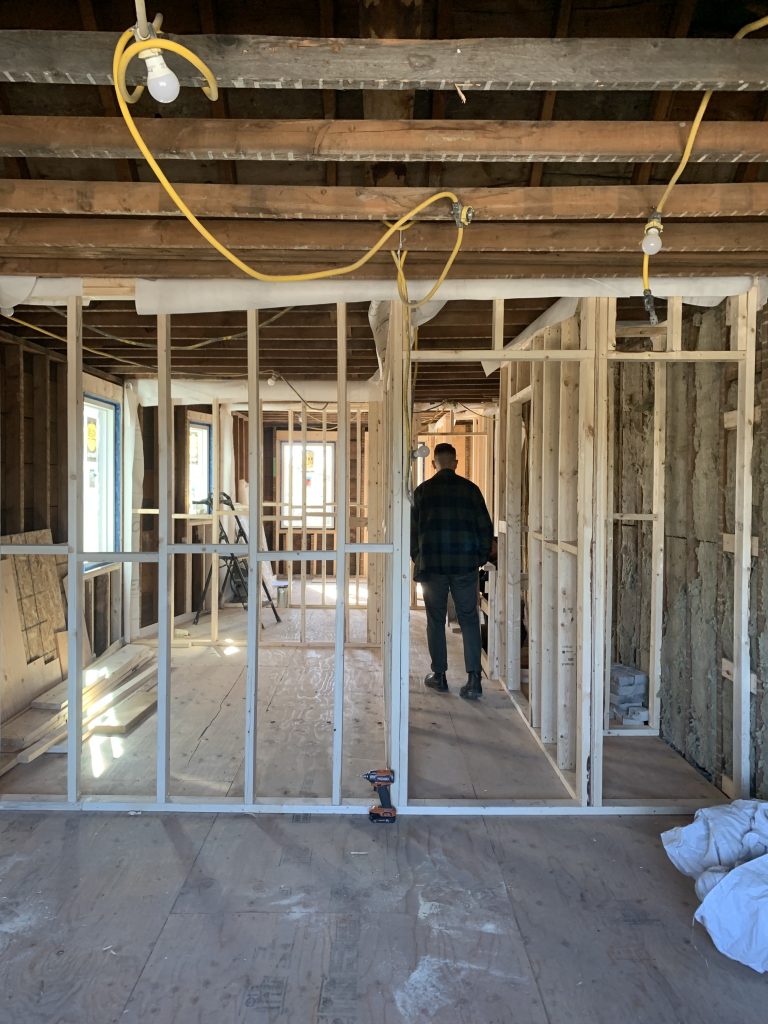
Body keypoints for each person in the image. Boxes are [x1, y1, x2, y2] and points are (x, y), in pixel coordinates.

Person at [410, 442, 493, 700]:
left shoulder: (422, 492)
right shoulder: (471, 491)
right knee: (469, 618)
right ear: (455, 463)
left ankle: (440, 676)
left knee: (435, 620)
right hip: (464, 566)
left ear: (434, 463)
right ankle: (473, 680)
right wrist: (477, 559)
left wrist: (419, 558)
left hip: (432, 566)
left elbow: (412, 534)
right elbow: (485, 530)